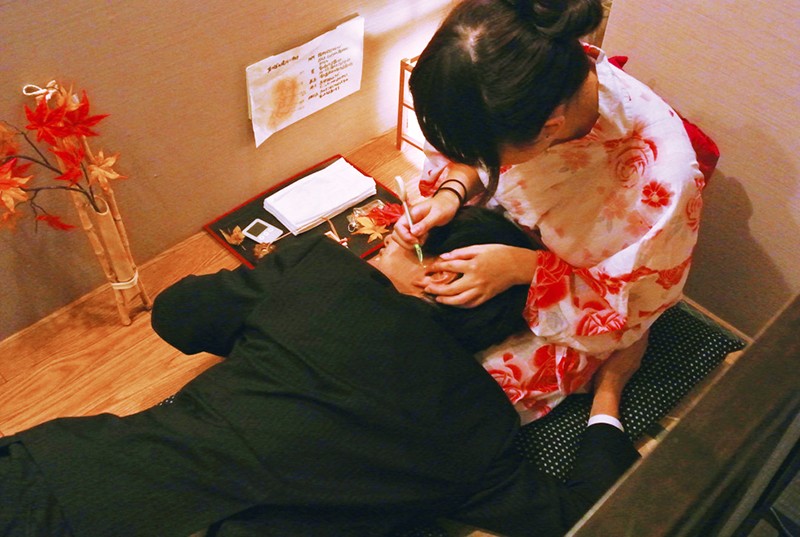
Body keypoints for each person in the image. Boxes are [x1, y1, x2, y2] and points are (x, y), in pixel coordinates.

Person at [0, 207, 641, 537]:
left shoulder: (320, 280)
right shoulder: (481, 428)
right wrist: (609, 391)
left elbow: (177, 314)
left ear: (441, 274)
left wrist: (279, 293)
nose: (385, 239)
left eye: (398, 238)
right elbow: (584, 515)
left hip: (68, 482)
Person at [393, 0, 705, 422]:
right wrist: (450, 192)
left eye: (484, 153)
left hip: (574, 302)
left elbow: (631, 302)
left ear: (550, 129)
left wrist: (522, 268)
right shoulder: (515, 96)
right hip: (493, 235)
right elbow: (475, 156)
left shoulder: (662, 176)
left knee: (449, 397)